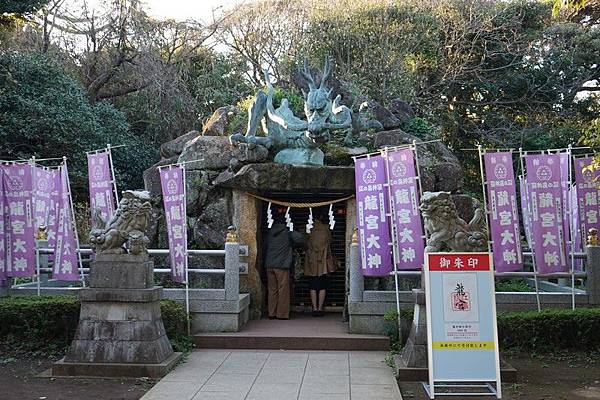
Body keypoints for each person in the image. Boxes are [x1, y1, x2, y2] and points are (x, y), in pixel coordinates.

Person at [263, 212, 306, 320]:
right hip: (282, 266)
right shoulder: (288, 233)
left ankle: (271, 313)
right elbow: (301, 239)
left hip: (269, 265)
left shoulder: (270, 233)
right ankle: (281, 314)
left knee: (272, 289)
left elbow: (264, 247)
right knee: (283, 290)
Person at [304, 210, 334, 317]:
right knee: (322, 285)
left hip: (311, 260)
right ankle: (320, 308)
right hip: (322, 260)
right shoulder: (326, 229)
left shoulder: (309, 228)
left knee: (312, 285)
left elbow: (304, 241)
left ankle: (314, 308)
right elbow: (330, 241)